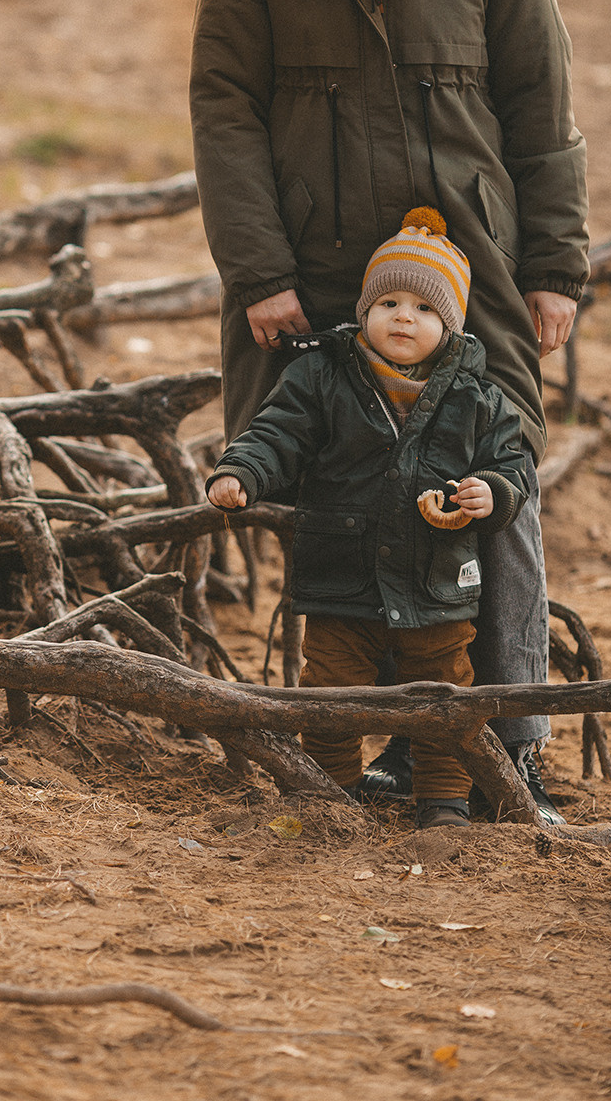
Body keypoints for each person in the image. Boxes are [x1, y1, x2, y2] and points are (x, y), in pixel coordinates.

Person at [190, 0, 588, 823]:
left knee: (495, 489)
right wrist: (258, 271)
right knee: (325, 491)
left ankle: (502, 745)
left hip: (473, 269)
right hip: (310, 271)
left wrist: (554, 266)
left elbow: (538, 100)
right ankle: (343, 742)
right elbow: (223, 103)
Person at [207, 209, 527, 829]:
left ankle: (443, 802)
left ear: (451, 324)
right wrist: (240, 472)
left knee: (444, 695)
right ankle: (330, 794)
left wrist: (490, 493)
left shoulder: (477, 397)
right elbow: (277, 434)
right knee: (331, 690)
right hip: (339, 576)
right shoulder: (321, 377)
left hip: (436, 581)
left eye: (425, 309)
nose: (404, 316)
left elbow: (509, 465)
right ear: (364, 309)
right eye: (389, 301)